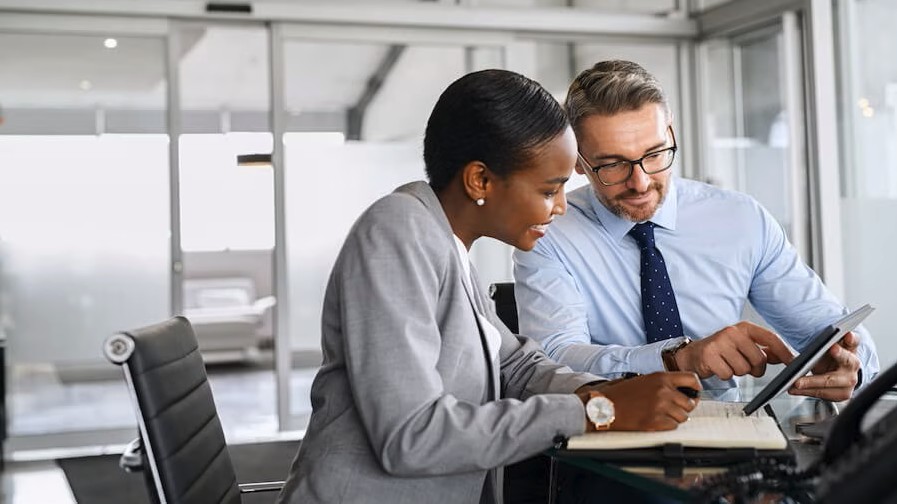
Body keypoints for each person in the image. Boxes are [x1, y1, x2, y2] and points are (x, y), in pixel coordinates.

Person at [276, 69, 702, 504]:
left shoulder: (448, 244)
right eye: (549, 189)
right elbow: (411, 435)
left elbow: (515, 366)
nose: (559, 207)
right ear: (479, 180)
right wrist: (598, 412)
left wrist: (606, 390)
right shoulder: (398, 231)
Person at [513, 60, 879, 399]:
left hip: (735, 438)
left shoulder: (740, 219)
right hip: (608, 443)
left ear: (670, 133)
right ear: (578, 161)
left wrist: (850, 364)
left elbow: (831, 327)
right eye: (612, 165)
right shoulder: (549, 233)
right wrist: (677, 359)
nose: (640, 183)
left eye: (655, 154)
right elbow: (554, 363)